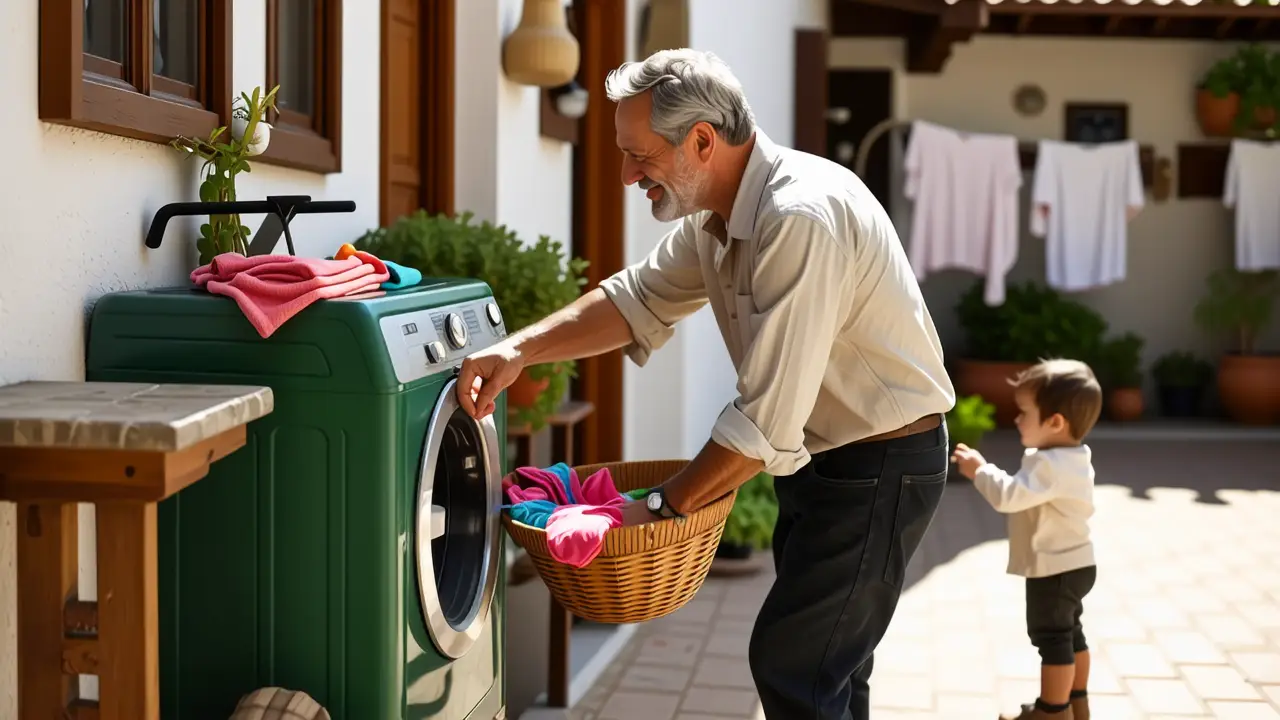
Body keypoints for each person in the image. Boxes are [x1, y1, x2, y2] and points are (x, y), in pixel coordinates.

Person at [457, 48, 955, 720]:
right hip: (832, 462)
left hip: (880, 463)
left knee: (794, 664)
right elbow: (635, 299)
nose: (628, 175)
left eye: (640, 155)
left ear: (701, 141)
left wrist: (660, 507)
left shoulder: (799, 218)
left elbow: (764, 424)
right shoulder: (717, 220)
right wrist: (519, 350)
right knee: (829, 669)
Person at [951, 359, 1102, 720]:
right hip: (1076, 564)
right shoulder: (1072, 456)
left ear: (1055, 422)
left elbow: (1010, 496)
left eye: (1024, 413)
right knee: (1070, 634)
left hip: (1054, 568)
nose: (1016, 420)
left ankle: (1053, 710)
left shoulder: (1050, 466)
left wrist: (980, 470)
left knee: (1051, 638)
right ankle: (1075, 701)